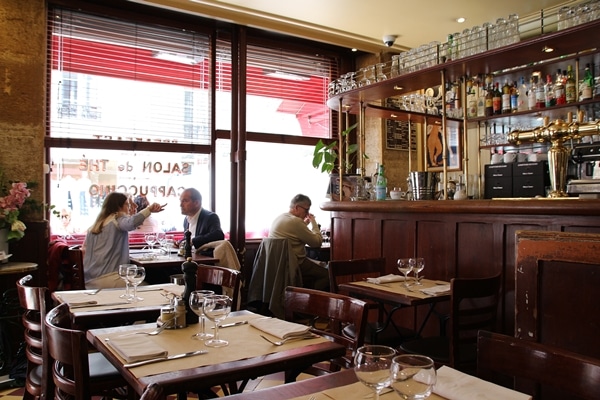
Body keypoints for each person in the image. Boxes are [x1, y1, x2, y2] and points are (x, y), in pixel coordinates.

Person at [82, 191, 165, 289]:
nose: (129, 207)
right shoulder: (116, 219)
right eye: (126, 204)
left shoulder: (95, 226)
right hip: (109, 277)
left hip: (89, 279)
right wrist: (149, 210)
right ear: (119, 206)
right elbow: (131, 223)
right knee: (154, 287)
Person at [269, 194, 329, 292]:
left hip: (279, 264)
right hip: (294, 264)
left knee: (320, 264)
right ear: (297, 207)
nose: (307, 213)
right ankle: (308, 301)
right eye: (306, 210)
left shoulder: (281, 217)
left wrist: (304, 224)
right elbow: (317, 242)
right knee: (327, 275)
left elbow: (294, 232)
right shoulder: (296, 222)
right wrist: (314, 222)